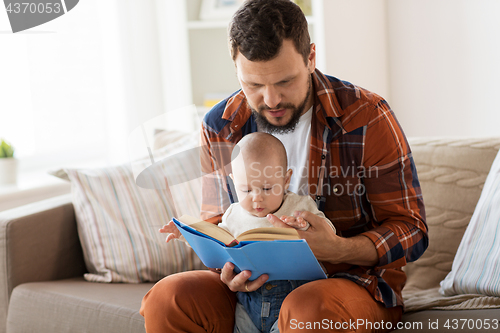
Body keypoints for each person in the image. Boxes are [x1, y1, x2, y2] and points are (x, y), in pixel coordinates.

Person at [140, 0, 428, 332]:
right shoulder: (220, 124)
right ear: (236, 68)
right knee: (168, 297)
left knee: (307, 309)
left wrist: (338, 248)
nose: (272, 100)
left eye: (284, 82)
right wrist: (228, 268)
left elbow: (412, 231)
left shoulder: (365, 116)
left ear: (311, 58)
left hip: (349, 283)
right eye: (254, 85)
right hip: (250, 292)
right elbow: (219, 223)